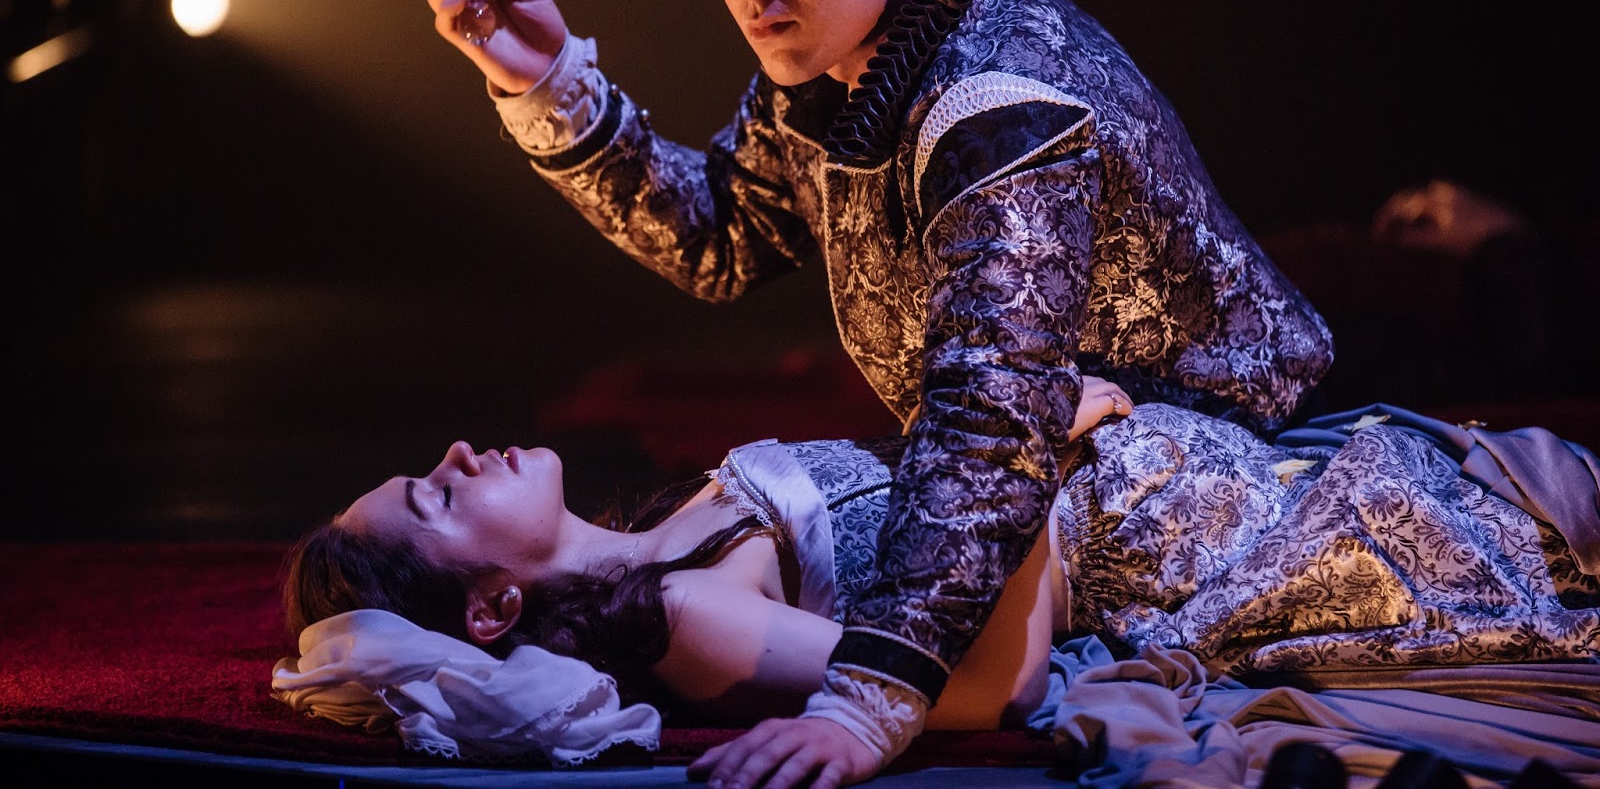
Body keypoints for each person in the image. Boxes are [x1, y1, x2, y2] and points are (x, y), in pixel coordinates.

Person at [413, 0, 1335, 785]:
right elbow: (724, 236)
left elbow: (992, 415)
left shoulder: (999, 98)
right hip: (1053, 492)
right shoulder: (845, 55)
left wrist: (867, 699)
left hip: (1194, 506)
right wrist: (545, 82)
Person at [276, 381, 1600, 785]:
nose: (457, 454)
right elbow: (975, 691)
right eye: (436, 495)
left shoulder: (670, 540)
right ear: (491, 607)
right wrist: (1031, 455)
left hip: (1187, 484)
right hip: (1194, 540)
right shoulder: (682, 615)